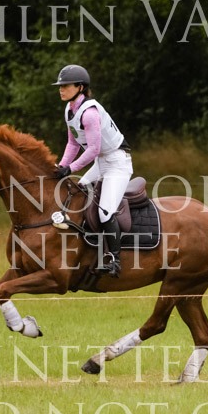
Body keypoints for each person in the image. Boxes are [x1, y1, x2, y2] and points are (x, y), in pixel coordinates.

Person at [52, 64, 132, 277]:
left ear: (80, 87)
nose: (61, 89)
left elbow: (94, 149)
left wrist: (71, 168)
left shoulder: (89, 113)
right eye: (60, 86)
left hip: (117, 163)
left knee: (105, 212)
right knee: (74, 193)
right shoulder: (70, 110)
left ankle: (114, 259)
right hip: (101, 163)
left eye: (66, 86)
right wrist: (62, 166)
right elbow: (73, 144)